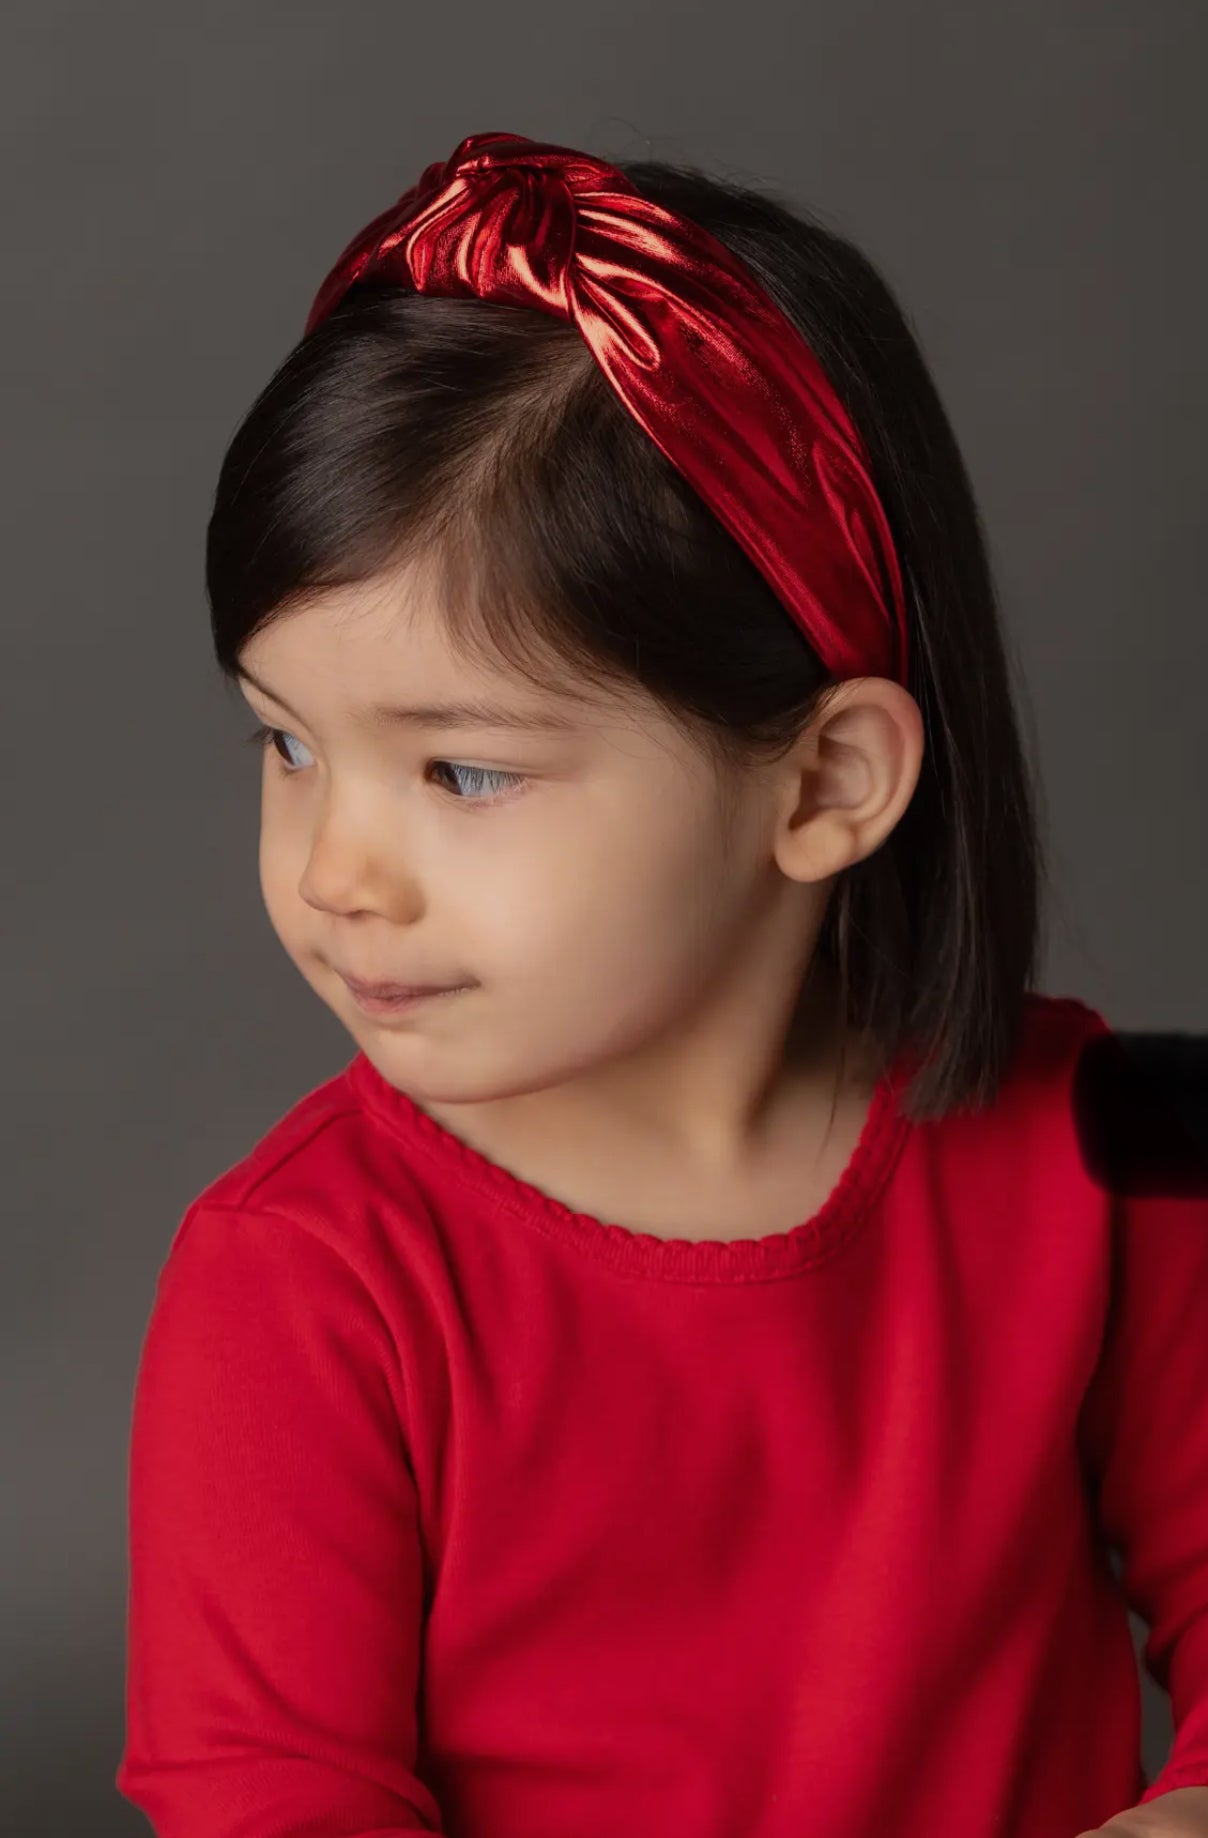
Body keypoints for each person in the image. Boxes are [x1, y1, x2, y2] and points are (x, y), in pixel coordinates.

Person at [114, 133, 1208, 1838]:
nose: (335, 870)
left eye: (464, 772)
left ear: (826, 781)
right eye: (287, 744)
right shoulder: (300, 1291)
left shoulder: (1093, 1158)